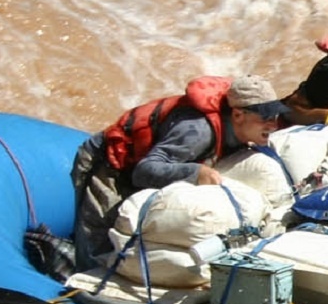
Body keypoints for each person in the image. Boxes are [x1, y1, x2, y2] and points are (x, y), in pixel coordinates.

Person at [69, 71, 286, 268]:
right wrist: (194, 173)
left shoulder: (240, 133)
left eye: (275, 116)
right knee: (96, 248)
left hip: (142, 161)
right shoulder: (198, 131)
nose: (274, 125)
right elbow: (143, 172)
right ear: (238, 115)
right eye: (266, 118)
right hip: (109, 162)